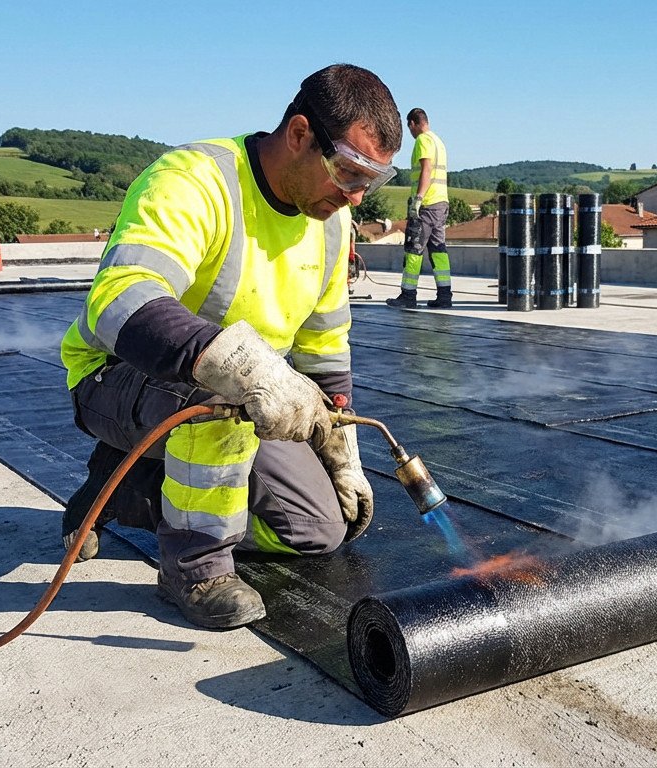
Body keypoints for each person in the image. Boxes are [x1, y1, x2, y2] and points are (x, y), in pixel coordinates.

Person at [58, 64, 403, 630]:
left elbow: (323, 345)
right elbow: (120, 299)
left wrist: (340, 441)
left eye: (374, 181)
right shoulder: (195, 179)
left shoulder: (331, 224)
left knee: (318, 529)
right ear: (299, 134)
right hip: (113, 376)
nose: (357, 196)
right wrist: (245, 368)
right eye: (348, 171)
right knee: (221, 405)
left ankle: (125, 489)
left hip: (237, 395)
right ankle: (194, 570)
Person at [386, 108, 451, 309]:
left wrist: (418, 199)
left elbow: (427, 169)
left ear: (413, 123)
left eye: (410, 127)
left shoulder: (422, 140)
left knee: (414, 249)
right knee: (438, 250)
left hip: (427, 205)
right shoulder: (438, 142)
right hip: (441, 204)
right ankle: (444, 295)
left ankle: (408, 295)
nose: (410, 132)